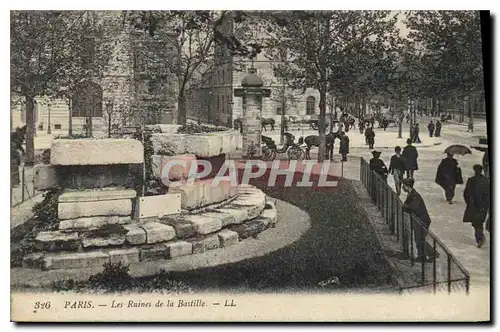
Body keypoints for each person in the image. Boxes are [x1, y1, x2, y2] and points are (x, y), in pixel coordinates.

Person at [401, 178, 436, 262]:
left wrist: (406, 207)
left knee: (420, 239)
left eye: (404, 185)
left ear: (407, 186)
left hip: (422, 220)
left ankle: (426, 255)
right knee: (419, 239)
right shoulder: (412, 194)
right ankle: (426, 255)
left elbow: (413, 207)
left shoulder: (414, 196)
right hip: (420, 220)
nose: (402, 187)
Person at [463, 165, 491, 248]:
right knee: (479, 222)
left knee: (476, 223)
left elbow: (466, 193)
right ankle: (480, 237)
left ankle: (480, 238)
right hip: (483, 206)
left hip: (474, 205)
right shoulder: (486, 181)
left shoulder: (471, 180)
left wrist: (469, 202)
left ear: (475, 170)